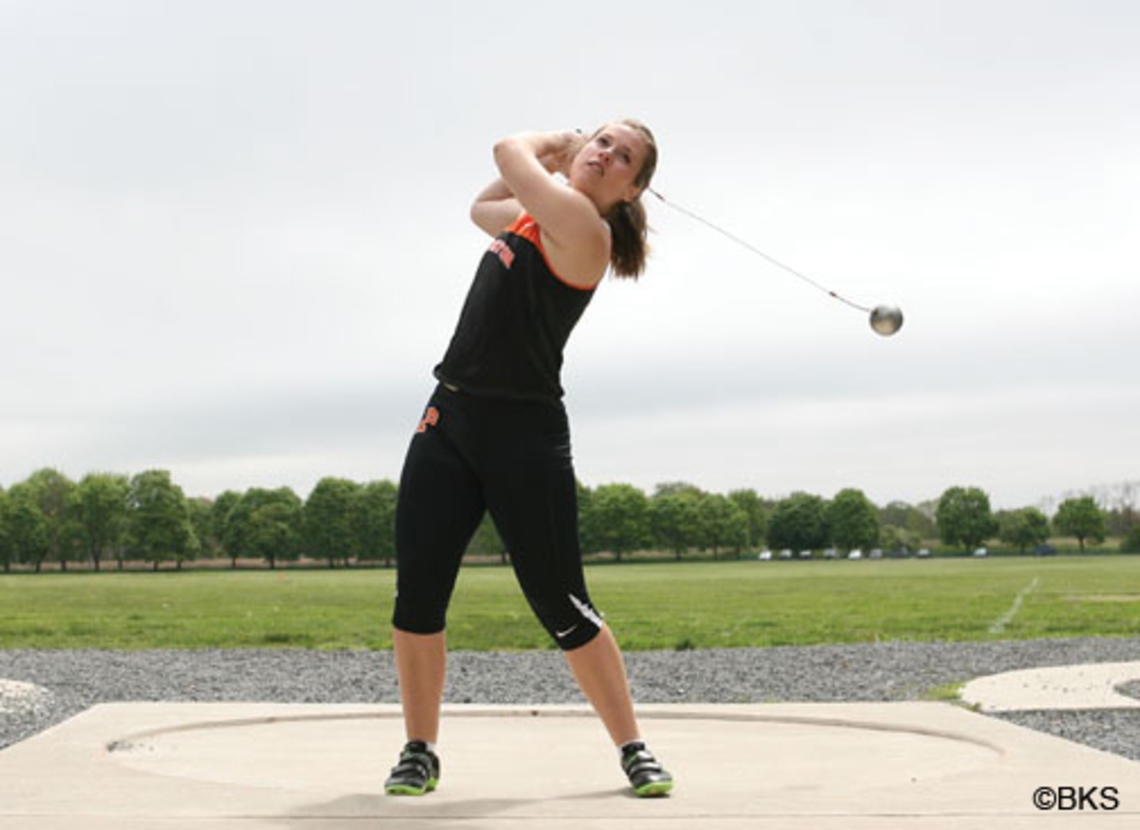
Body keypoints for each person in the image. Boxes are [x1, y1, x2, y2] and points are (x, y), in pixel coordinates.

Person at [384, 120, 673, 798]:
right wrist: (564, 155)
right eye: (602, 141)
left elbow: (505, 152)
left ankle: (634, 749)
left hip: (523, 433)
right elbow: (483, 207)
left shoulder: (584, 227)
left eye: (620, 155)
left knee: (562, 601)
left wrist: (557, 139)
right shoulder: (531, 217)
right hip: (448, 419)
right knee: (416, 598)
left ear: (631, 191)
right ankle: (419, 751)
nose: (604, 154)